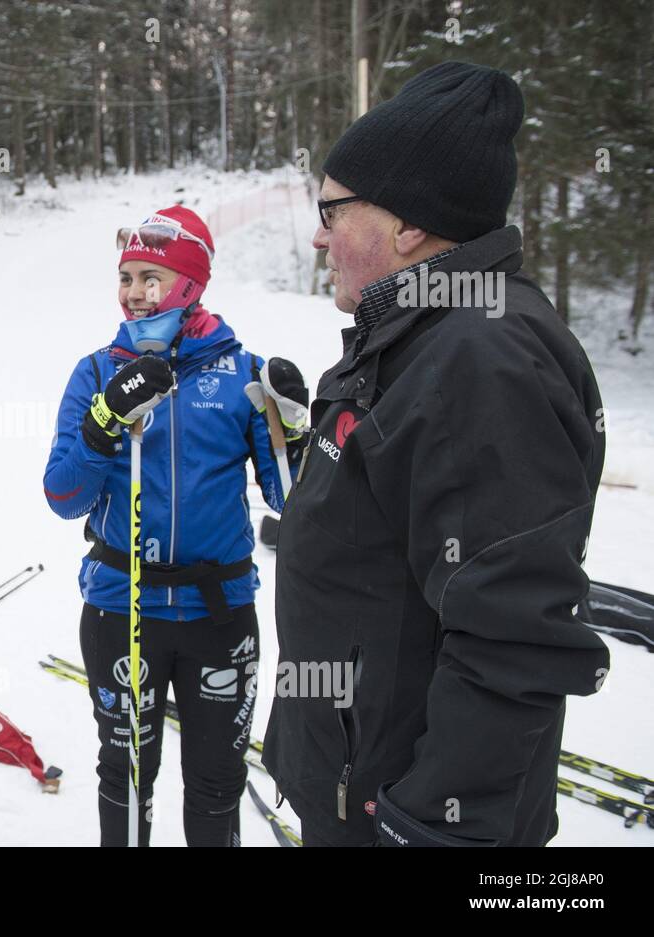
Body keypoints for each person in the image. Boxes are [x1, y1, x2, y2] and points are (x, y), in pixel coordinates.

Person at [261, 61, 610, 847]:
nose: (318, 235)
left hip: (408, 816)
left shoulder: (479, 356)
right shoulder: (413, 336)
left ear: (408, 224)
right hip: (355, 783)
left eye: (332, 211)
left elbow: (513, 631)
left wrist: (431, 826)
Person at [43, 205, 307, 846]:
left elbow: (289, 502)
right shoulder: (98, 371)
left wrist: (295, 431)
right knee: (127, 775)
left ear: (189, 284)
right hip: (121, 605)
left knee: (217, 781)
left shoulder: (241, 373)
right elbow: (63, 495)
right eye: (126, 276)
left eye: (150, 277)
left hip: (219, 611)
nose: (134, 292)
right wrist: (106, 419)